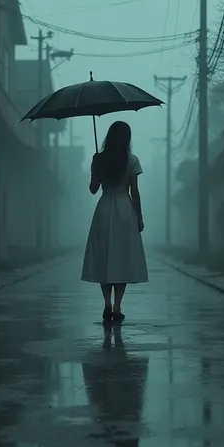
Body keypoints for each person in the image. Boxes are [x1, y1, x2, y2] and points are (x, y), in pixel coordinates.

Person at [81, 121, 148, 322]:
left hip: (104, 208)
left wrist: (95, 167)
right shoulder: (132, 160)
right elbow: (134, 191)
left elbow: (93, 189)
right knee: (121, 257)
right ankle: (117, 306)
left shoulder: (100, 160)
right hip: (124, 210)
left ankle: (107, 304)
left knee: (105, 257)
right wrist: (139, 216)